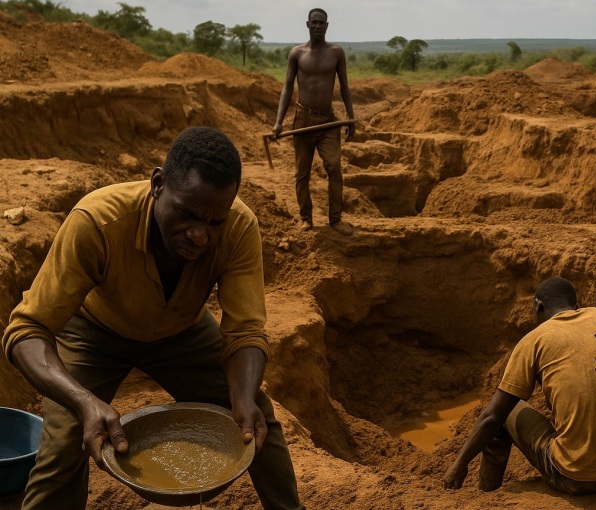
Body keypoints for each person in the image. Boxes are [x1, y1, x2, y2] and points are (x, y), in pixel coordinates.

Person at [2, 127, 304, 510]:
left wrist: (242, 397)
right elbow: (27, 330)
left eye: (215, 222)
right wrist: (83, 401)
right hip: (94, 332)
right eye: (188, 214)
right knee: (64, 448)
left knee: (257, 421)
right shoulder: (96, 222)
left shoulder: (239, 227)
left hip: (184, 330)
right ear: (158, 184)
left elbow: (245, 331)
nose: (200, 236)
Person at [443, 277, 596, 495]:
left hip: (573, 476)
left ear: (538, 305)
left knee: (506, 411)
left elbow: (492, 416)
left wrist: (459, 464)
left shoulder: (534, 340)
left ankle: (487, 493)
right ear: (575, 307)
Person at [272, 7, 355, 236]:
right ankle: (306, 218)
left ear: (327, 26)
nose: (318, 26)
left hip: (328, 121)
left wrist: (350, 116)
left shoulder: (336, 53)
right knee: (302, 173)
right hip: (303, 121)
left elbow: (344, 86)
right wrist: (278, 122)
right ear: (307, 25)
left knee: (334, 167)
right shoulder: (297, 54)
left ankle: (335, 219)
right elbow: (287, 87)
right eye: (314, 22)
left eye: (322, 23)